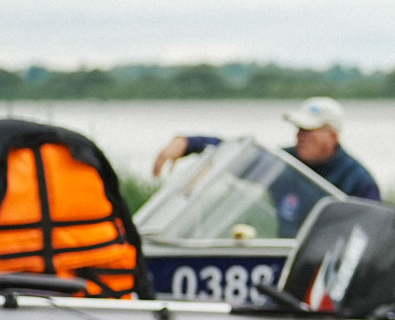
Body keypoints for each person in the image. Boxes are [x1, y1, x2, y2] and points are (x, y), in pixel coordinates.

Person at [152, 97, 382, 235]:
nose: (299, 136)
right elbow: (237, 154)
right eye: (298, 129)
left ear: (331, 135)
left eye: (308, 131)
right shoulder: (283, 163)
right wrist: (188, 143)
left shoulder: (358, 181)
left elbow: (372, 236)